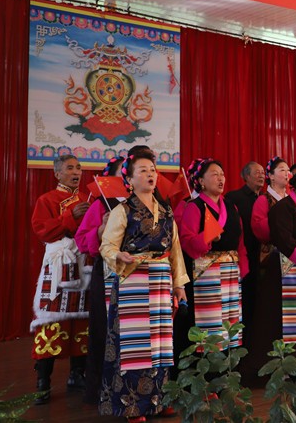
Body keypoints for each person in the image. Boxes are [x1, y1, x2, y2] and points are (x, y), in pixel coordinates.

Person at [99, 150, 189, 422]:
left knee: (160, 343)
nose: (150, 174)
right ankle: (132, 405)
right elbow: (107, 246)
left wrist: (179, 284)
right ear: (129, 179)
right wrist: (120, 255)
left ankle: (159, 400)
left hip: (161, 280)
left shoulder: (166, 211)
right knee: (135, 346)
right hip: (134, 282)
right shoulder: (122, 210)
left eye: (152, 170)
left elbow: (175, 250)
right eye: (142, 170)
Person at [242, 170, 296, 384]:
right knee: (282, 321)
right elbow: (283, 239)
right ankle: (282, 369)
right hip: (284, 272)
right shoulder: (282, 208)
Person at [30, 155, 91, 404]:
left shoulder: (88, 199)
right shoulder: (47, 200)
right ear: (57, 174)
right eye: (70, 168)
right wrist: (70, 216)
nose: (76, 172)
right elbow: (42, 230)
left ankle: (77, 374)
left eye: (79, 168)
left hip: (83, 263)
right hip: (58, 265)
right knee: (52, 318)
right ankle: (43, 381)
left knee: (82, 319)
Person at [176, 159, 248, 369]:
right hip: (207, 273)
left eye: (222, 174)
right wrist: (206, 238)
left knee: (231, 325)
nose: (221, 178)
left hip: (231, 273)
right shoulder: (194, 206)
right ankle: (209, 377)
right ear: (200, 181)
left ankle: (228, 373)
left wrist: (242, 269)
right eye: (215, 174)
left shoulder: (231, 206)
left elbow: (240, 241)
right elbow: (186, 241)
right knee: (211, 326)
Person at [74, 156, 125, 405]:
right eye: (121, 172)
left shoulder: (147, 203)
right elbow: (82, 241)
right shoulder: (101, 205)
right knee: (106, 331)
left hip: (139, 276)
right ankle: (105, 390)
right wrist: (100, 230)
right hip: (106, 274)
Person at [225, 161, 265, 338]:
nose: (261, 175)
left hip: (263, 255)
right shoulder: (234, 198)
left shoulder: (266, 198)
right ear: (246, 176)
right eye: (257, 172)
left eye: (263, 172)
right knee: (245, 300)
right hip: (243, 254)